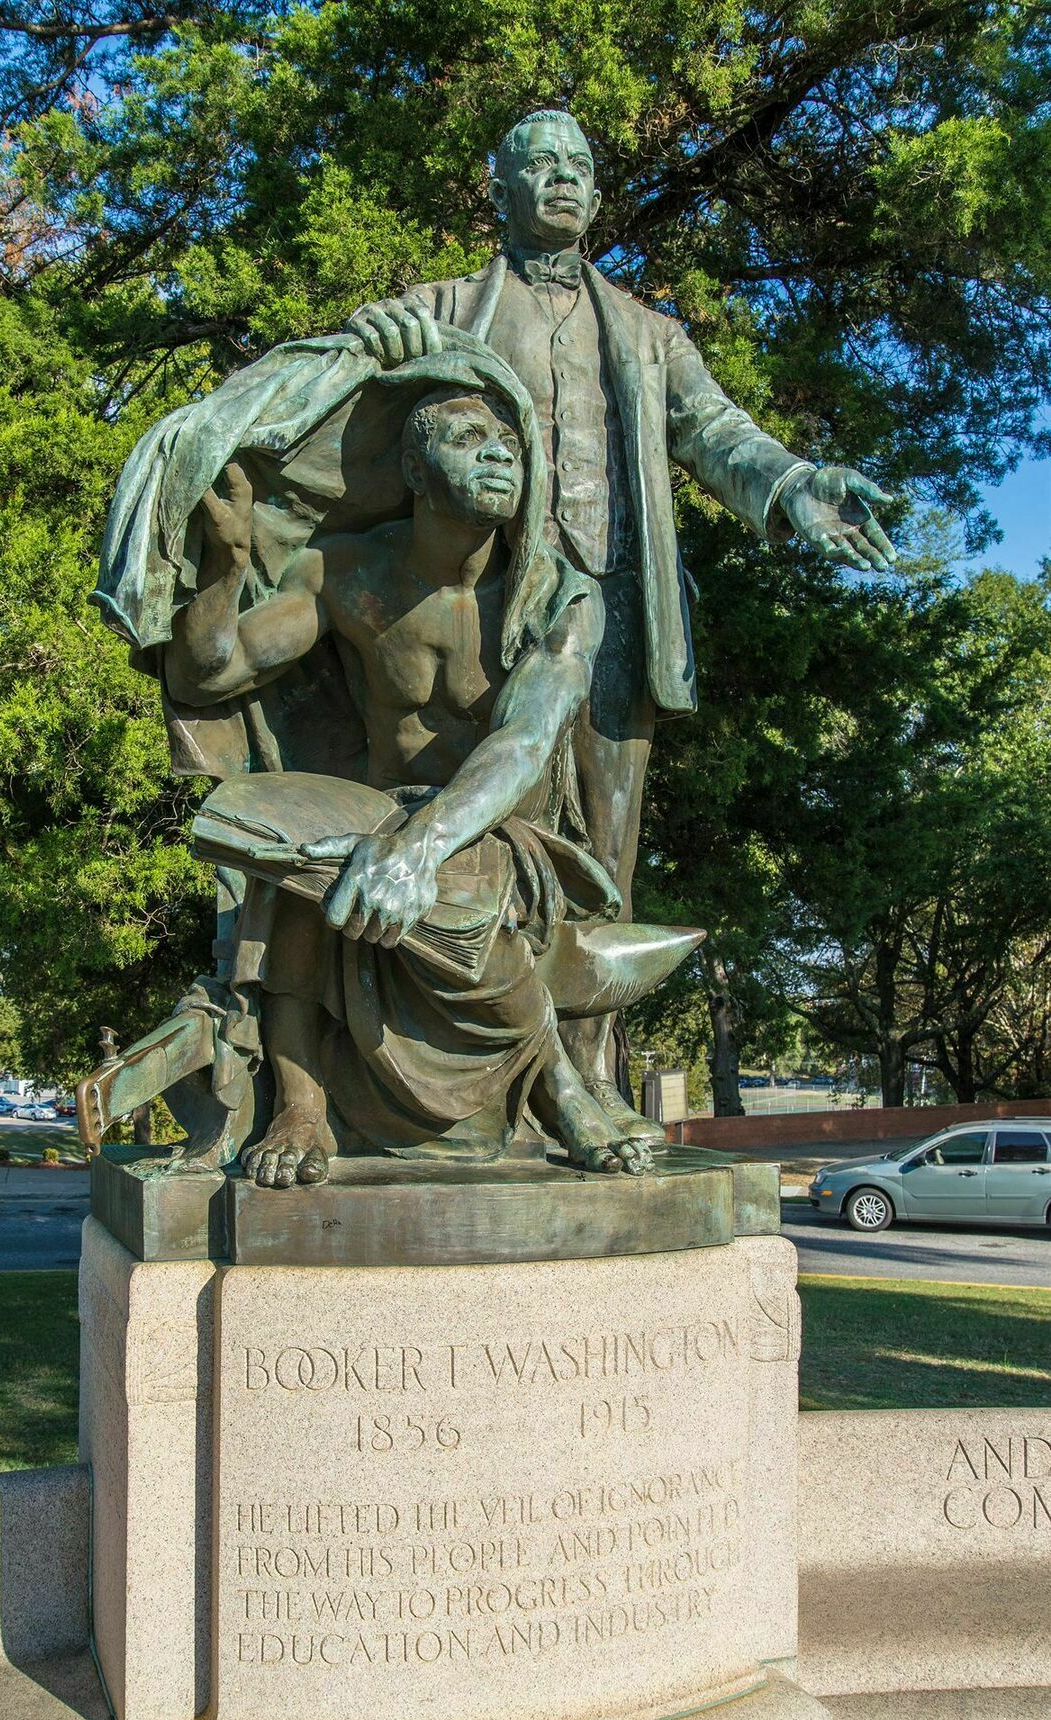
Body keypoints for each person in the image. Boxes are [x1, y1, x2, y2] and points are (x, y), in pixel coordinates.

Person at [347, 108, 897, 1145]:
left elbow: (716, 430)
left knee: (599, 865)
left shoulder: (646, 334)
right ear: (498, 189)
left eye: (577, 167)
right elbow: (348, 413)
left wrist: (792, 484)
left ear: (595, 197)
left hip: (612, 625)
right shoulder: (441, 309)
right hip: (480, 611)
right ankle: (465, 1098)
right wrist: (377, 345)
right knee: (480, 837)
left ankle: (585, 1090)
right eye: (537, 165)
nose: (560, 180)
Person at [164, 383, 697, 1185]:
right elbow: (210, 674)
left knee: (459, 889)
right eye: (468, 436)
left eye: (511, 446)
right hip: (374, 813)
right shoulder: (343, 572)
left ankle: (555, 1083)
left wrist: (417, 848)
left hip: (498, 832)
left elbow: (522, 741)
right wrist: (224, 564)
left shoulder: (556, 594)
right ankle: (300, 1106)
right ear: (413, 466)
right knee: (287, 874)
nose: (498, 454)